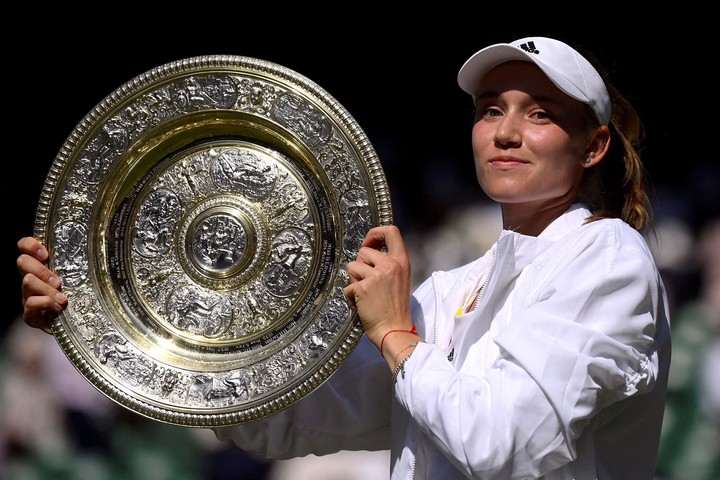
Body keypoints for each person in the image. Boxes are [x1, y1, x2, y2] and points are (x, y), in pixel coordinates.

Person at [17, 36, 671, 479]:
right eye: (491, 109)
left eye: (540, 114)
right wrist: (108, 327)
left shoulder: (606, 259)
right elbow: (293, 419)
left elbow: (504, 445)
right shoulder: (460, 287)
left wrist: (393, 333)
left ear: (594, 147)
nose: (503, 131)